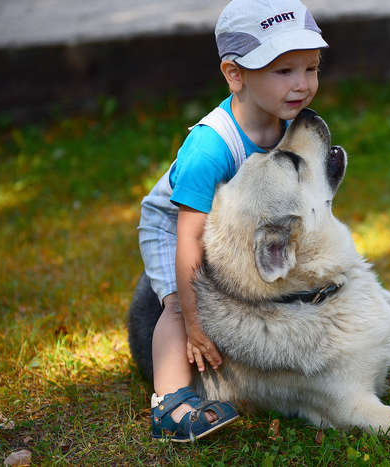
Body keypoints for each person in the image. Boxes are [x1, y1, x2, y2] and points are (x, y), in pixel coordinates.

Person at [137, 0, 328, 442]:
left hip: (231, 223)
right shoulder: (211, 149)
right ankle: (171, 405)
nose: (302, 84)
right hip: (176, 227)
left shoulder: (286, 119)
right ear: (235, 74)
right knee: (177, 307)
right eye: (284, 72)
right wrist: (195, 320)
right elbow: (189, 237)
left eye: (311, 68)